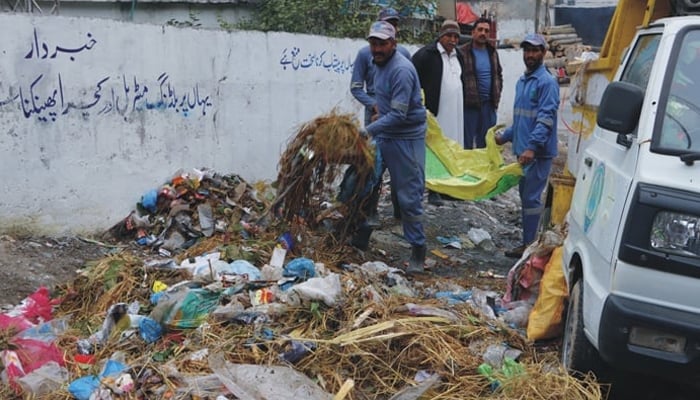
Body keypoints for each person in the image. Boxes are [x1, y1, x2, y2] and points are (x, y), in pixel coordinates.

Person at [361, 20, 429, 274]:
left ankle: (418, 250)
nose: (377, 48)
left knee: (409, 197)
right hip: (386, 134)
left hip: (406, 139)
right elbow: (385, 103)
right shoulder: (376, 64)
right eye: (373, 43)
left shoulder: (401, 69)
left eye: (382, 44)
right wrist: (380, 116)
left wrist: (368, 130)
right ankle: (361, 237)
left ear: (393, 44)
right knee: (368, 184)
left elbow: (400, 115)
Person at [495, 33, 559, 259]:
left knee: (531, 200)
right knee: (526, 198)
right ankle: (528, 244)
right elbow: (522, 119)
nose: (530, 55)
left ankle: (531, 249)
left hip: (537, 153)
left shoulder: (546, 82)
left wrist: (532, 147)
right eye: (527, 50)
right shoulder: (524, 81)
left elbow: (545, 119)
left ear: (543, 53)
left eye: (535, 50)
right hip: (524, 152)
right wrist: (505, 136)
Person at [350, 7, 410, 219]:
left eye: (394, 23)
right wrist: (374, 104)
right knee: (372, 165)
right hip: (375, 117)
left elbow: (409, 91)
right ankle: (369, 210)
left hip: (397, 116)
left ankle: (399, 211)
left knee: (398, 165)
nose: (391, 26)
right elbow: (356, 87)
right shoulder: (365, 53)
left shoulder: (403, 55)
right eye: (387, 22)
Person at [412, 19, 465, 206]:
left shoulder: (459, 56)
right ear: (441, 36)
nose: (453, 40)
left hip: (456, 113)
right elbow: (413, 81)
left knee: (452, 148)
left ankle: (450, 188)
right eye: (449, 36)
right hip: (436, 114)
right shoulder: (426, 55)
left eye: (456, 37)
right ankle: (434, 190)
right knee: (435, 151)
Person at [460, 17, 503, 149]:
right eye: (480, 30)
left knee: (486, 143)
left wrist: (497, 92)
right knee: (466, 143)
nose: (483, 33)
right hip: (469, 106)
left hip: (489, 105)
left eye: (486, 31)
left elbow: (498, 74)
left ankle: (484, 169)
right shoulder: (462, 52)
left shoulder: (492, 52)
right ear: (473, 32)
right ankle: (468, 169)